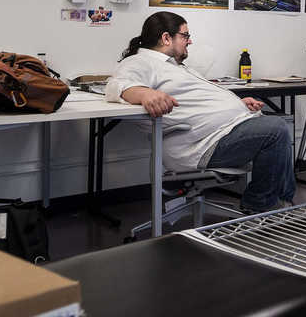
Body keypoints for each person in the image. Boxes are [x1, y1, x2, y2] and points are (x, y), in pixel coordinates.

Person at [105, 12, 296, 213]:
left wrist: (238, 104)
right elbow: (116, 85)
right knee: (276, 130)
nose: (190, 41)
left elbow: (196, 98)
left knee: (275, 129)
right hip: (202, 145)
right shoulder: (142, 62)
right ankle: (260, 207)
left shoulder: (176, 66)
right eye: (185, 36)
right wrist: (144, 93)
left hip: (221, 134)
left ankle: (281, 206)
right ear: (166, 38)